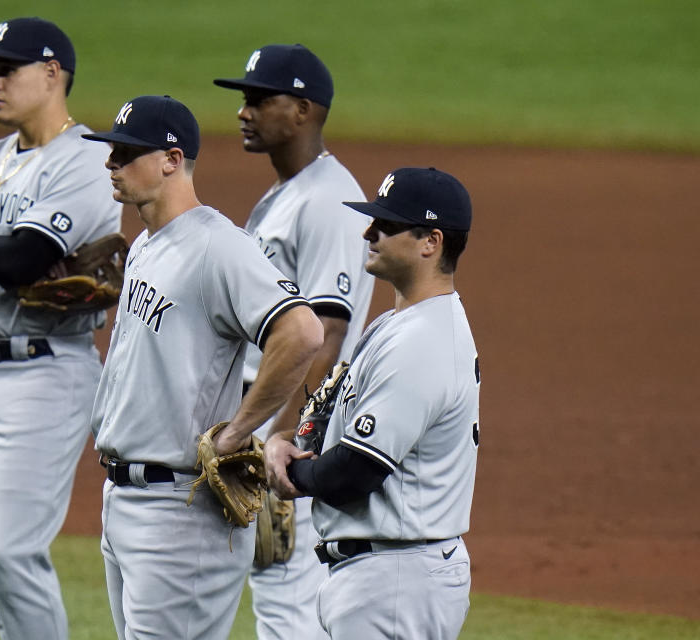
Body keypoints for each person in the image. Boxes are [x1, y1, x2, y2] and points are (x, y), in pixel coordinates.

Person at [80, 95, 324, 640]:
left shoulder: (218, 246)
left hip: (179, 510)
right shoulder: (145, 243)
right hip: (125, 498)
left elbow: (303, 331)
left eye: (125, 153)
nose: (111, 164)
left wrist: (240, 431)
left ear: (171, 159)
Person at [0, 17, 121, 640]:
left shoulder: (87, 159)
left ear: (53, 73)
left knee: (13, 552)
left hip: (45, 372)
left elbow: (21, 261)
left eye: (8, 68)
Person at [265, 167, 480, 639]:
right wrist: (287, 438)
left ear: (431, 242)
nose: (369, 232)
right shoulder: (395, 325)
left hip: (397, 582)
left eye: (386, 224)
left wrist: (284, 472)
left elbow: (355, 472)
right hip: (382, 575)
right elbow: (326, 418)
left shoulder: (422, 342)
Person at [213, 43, 374, 640]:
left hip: (290, 421)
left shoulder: (328, 201)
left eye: (259, 100)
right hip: (269, 410)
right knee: (273, 592)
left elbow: (326, 333)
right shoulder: (288, 194)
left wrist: (283, 435)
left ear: (304, 109)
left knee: (286, 597)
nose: (243, 112)